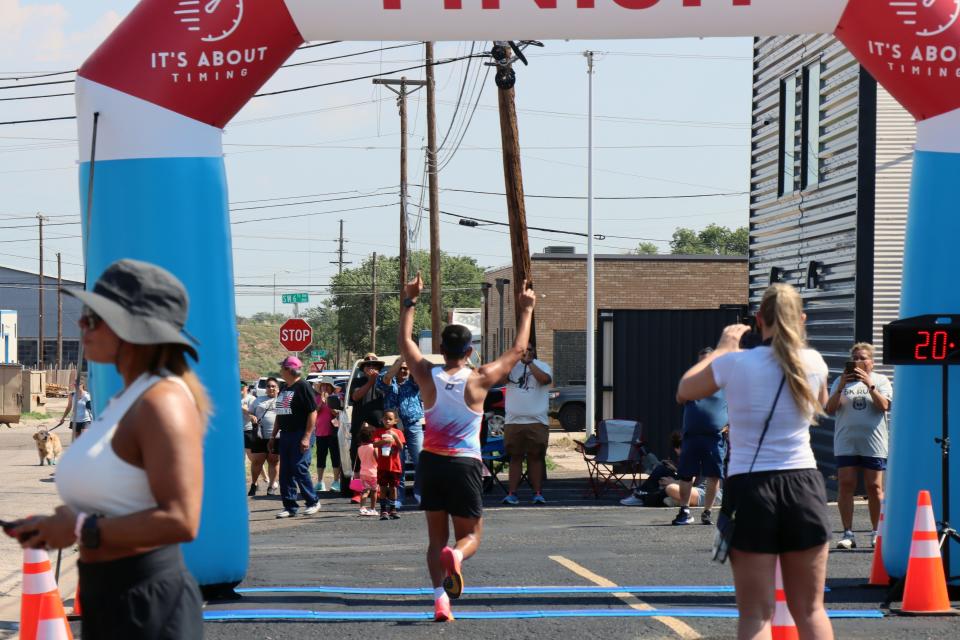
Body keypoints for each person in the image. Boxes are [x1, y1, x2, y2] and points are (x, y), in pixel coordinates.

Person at [8, 258, 206, 639]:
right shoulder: (127, 398)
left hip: (146, 603)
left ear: (132, 329)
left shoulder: (161, 401)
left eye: (93, 317)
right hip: (111, 596)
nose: (81, 325)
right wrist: (57, 524)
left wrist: (80, 527)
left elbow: (182, 520)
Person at [677, 283, 833, 640]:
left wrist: (723, 347)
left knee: (756, 614)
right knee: (810, 610)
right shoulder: (814, 362)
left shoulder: (735, 362)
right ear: (802, 320)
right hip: (803, 484)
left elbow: (685, 390)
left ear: (758, 319)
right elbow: (821, 403)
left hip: (751, 485)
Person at [398, 271, 536, 622]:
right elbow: (519, 350)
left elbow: (405, 344)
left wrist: (410, 300)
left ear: (441, 349)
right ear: (470, 351)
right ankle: (457, 557)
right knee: (470, 535)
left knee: (434, 541)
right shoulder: (480, 377)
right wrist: (526, 309)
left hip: (430, 462)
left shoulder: (427, 375)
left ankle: (439, 599)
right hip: (464, 464)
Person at [825, 342, 892, 550]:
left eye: (863, 357)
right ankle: (848, 533)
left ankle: (876, 532)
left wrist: (869, 385)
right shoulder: (840, 380)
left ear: (871, 361)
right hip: (846, 441)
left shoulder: (881, 380)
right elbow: (830, 408)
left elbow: (884, 406)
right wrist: (842, 386)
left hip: (873, 441)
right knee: (846, 485)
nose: (858, 361)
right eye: (855, 357)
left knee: (874, 487)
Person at [672, 347, 727, 526]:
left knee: (713, 476)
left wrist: (730, 425)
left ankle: (707, 512)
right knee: (686, 475)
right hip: (692, 437)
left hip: (714, 438)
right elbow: (679, 398)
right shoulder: (691, 382)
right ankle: (685, 511)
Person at [501, 343, 553, 505]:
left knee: (536, 457)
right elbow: (500, 379)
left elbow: (545, 380)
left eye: (529, 350)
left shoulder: (542, 366)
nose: (526, 353)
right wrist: (512, 361)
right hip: (513, 421)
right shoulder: (510, 367)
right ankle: (512, 493)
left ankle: (537, 493)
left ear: (534, 351)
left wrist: (529, 363)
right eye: (523, 351)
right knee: (515, 457)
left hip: (537, 421)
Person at [270, 356, 320, 519]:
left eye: (282, 367)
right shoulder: (285, 387)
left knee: (299, 467)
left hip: (300, 433)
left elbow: (312, 412)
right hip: (285, 435)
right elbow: (280, 413)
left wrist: (306, 437)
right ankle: (290, 506)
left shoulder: (303, 386)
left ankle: (313, 501)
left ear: (289, 370)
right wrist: (273, 435)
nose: (280, 370)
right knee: (285, 471)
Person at [378, 358, 425, 505]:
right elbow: (387, 377)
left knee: (420, 461)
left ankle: (420, 496)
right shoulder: (387, 383)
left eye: (406, 368)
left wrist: (411, 360)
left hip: (413, 426)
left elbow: (420, 375)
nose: (404, 371)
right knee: (398, 463)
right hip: (394, 428)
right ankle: (398, 498)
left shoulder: (413, 383)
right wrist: (401, 359)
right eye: (401, 368)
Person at [349, 353, 386, 500]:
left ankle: (375, 489)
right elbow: (356, 396)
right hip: (360, 428)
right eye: (368, 365)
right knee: (357, 460)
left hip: (378, 426)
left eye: (374, 365)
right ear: (363, 368)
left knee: (378, 459)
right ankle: (358, 492)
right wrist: (370, 382)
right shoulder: (357, 382)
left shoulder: (384, 382)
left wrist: (376, 381)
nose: (371, 367)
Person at [249, 377, 281, 496]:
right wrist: (252, 417)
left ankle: (271, 486)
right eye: (268, 386)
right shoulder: (258, 400)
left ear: (278, 389)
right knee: (257, 461)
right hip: (259, 435)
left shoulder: (282, 401)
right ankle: (254, 484)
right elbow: (250, 412)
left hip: (276, 436)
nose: (271, 388)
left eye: (273, 386)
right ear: (265, 388)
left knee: (274, 461)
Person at [373, 410, 406, 520]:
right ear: (382, 419)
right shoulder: (379, 432)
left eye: (390, 419)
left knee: (393, 488)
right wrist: (384, 440)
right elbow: (374, 444)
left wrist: (395, 437)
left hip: (395, 466)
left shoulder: (398, 432)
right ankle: (383, 510)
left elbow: (401, 448)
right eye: (385, 418)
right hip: (382, 465)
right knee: (382, 488)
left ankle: (393, 509)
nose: (387, 420)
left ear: (395, 421)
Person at [314, 377, 343, 493]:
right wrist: (322, 401)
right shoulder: (316, 398)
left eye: (327, 386)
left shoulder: (337, 398)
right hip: (320, 433)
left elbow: (337, 412)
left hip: (334, 433)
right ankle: (320, 482)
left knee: (335, 457)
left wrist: (329, 403)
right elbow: (315, 411)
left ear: (331, 388)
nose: (325, 388)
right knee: (320, 457)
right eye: (323, 385)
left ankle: (336, 482)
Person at [356, 425, 379, 516]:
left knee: (365, 491)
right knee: (374, 491)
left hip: (363, 473)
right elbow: (378, 459)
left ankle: (362, 508)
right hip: (373, 473)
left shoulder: (359, 448)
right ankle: (373, 509)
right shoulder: (373, 447)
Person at [241, 381, 258, 486]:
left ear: (246, 387)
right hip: (237, 431)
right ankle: (243, 481)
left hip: (248, 430)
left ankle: (264, 479)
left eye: (242, 386)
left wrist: (243, 408)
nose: (240, 388)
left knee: (253, 458)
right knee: (240, 457)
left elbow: (253, 415)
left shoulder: (251, 399)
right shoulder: (234, 398)